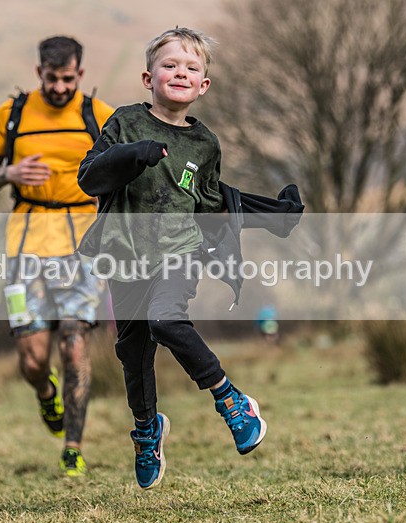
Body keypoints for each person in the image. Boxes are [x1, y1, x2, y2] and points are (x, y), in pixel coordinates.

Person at [77, 28, 269, 490]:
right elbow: (89, 177)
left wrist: (268, 213)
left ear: (204, 85)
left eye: (191, 68)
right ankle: (147, 430)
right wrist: (129, 155)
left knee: (166, 318)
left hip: (179, 252)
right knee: (133, 352)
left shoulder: (206, 146)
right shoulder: (125, 122)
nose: (180, 72)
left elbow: (209, 205)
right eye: (169, 65)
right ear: (149, 77)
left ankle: (231, 401)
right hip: (124, 257)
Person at [0, 36, 114, 476]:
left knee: (74, 346)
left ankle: (73, 446)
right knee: (33, 359)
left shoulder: (99, 115)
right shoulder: (12, 113)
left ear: (80, 75)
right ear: (39, 73)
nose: (58, 87)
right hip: (24, 246)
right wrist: (8, 172)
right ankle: (44, 394)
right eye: (51, 78)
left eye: (67, 78)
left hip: (83, 245)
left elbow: (129, 167)